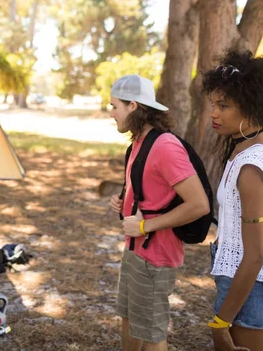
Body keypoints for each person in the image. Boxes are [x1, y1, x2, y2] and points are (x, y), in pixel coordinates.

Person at [108, 75, 210, 351]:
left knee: (152, 334)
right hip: (134, 252)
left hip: (154, 258)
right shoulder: (138, 144)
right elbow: (149, 189)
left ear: (133, 106)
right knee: (130, 319)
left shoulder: (165, 146)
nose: (110, 113)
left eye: (114, 106)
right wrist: (124, 201)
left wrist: (144, 227)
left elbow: (199, 204)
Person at [205, 50, 263, 351]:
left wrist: (220, 322)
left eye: (223, 106)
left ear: (251, 107)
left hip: (250, 289)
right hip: (238, 281)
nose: (213, 113)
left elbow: (255, 255)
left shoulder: (252, 166)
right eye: (213, 104)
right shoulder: (241, 151)